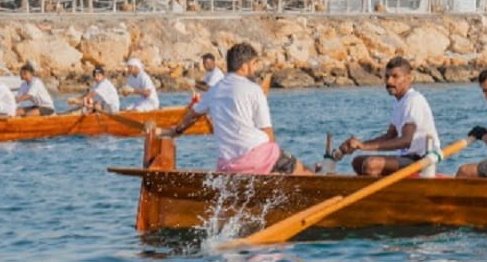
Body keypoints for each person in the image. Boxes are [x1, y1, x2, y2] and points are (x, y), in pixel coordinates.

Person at [171, 43, 306, 174]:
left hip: (227, 165)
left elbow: (193, 114)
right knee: (300, 169)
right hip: (257, 159)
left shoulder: (214, 91)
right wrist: (274, 157)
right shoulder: (254, 90)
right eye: (254, 64)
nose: (255, 69)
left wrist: (178, 130)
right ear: (244, 66)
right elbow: (267, 131)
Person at [337, 56, 440, 176]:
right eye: (387, 76)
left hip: (421, 161)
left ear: (408, 78)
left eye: (395, 77)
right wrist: (359, 145)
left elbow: (405, 141)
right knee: (357, 162)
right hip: (406, 157)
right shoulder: (399, 102)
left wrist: (365, 146)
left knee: (371, 164)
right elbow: (390, 135)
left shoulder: (414, 100)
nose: (389, 81)